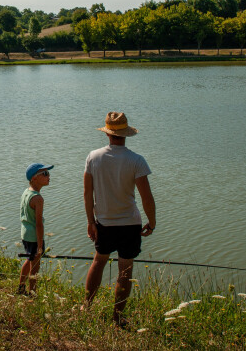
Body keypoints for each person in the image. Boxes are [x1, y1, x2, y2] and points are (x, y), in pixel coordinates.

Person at [83, 112, 156, 329]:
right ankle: (116, 317)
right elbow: (146, 197)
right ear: (125, 134)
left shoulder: (93, 157)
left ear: (107, 133)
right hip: (130, 224)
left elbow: (88, 194)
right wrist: (152, 223)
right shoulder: (136, 160)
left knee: (98, 262)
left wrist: (90, 221)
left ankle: (85, 307)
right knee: (125, 270)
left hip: (104, 222)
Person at [18, 162, 53, 295]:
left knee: (29, 259)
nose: (48, 176)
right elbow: (39, 224)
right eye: (44, 173)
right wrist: (40, 245)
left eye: (48, 173)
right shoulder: (38, 199)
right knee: (35, 266)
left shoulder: (27, 192)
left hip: (25, 234)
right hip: (34, 237)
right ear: (34, 178)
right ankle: (32, 293)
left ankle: (21, 287)